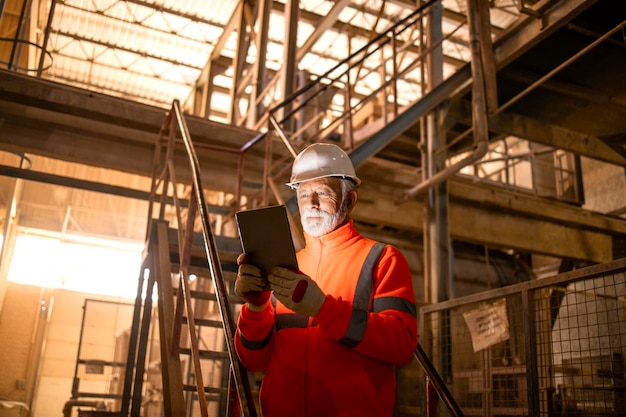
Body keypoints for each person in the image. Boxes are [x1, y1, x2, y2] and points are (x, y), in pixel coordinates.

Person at [234, 143, 418, 417]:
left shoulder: (382, 259)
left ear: (350, 201)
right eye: (304, 194)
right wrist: (256, 308)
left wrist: (323, 308)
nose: (311, 204)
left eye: (323, 192)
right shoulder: (288, 265)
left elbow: (401, 345)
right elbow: (253, 360)